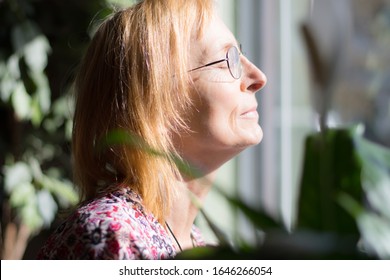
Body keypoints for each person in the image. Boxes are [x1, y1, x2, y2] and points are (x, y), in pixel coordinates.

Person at [38, 0, 266, 260]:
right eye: (229, 60)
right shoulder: (110, 237)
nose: (258, 77)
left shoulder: (195, 244)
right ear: (154, 98)